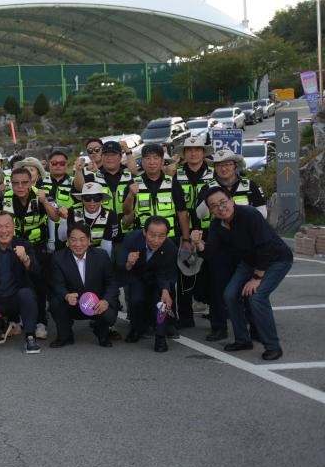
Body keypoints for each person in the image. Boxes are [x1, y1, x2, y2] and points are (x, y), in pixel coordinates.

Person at [191, 187, 292, 361]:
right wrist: (199, 243)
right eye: (214, 206)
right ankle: (243, 340)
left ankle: (273, 346)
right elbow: (211, 253)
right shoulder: (216, 224)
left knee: (257, 297)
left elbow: (265, 247)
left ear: (231, 200)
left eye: (223, 202)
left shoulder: (250, 214)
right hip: (249, 260)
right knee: (229, 295)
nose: (220, 208)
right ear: (211, 210)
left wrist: (256, 278)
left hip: (276, 259)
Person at [0, 167, 64, 339]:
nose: (20, 186)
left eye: (24, 183)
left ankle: (41, 322)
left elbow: (55, 217)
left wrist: (44, 202)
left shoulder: (41, 195)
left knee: (39, 285)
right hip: (14, 246)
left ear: (31, 182)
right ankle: (16, 320)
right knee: (15, 283)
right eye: (16, 183)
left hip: (38, 246)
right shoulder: (5, 197)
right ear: (11, 184)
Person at [0, 212, 42, 353]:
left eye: (7, 226)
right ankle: (5, 323)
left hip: (17, 299)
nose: (4, 231)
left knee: (27, 293)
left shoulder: (24, 245)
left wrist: (25, 259)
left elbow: (37, 272)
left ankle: (30, 337)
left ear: (14, 227)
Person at [49, 224, 120, 348]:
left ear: (89, 240)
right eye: (73, 239)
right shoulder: (58, 257)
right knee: (55, 301)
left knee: (109, 315)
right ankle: (65, 335)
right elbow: (57, 284)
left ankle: (101, 332)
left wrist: (106, 301)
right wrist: (66, 295)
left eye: (82, 239)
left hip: (96, 304)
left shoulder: (102, 256)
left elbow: (112, 282)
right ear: (68, 241)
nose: (78, 244)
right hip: (73, 303)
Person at [118, 216, 178, 352]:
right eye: (152, 235)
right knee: (135, 300)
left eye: (161, 236)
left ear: (167, 235)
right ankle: (136, 328)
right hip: (137, 275)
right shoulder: (131, 238)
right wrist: (129, 263)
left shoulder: (170, 247)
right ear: (144, 232)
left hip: (159, 278)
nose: (156, 240)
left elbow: (169, 273)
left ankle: (160, 337)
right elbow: (121, 264)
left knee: (162, 303)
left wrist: (165, 290)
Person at [174, 136, 216, 329]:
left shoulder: (214, 175)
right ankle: (185, 316)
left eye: (197, 149)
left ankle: (215, 313)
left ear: (203, 152)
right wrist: (185, 236)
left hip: (210, 231)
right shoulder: (175, 175)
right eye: (189, 150)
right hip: (183, 232)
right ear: (184, 154)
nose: (193, 153)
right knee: (184, 273)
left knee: (211, 272)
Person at [58, 182, 123, 256]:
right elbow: (62, 238)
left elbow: (106, 243)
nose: (92, 202)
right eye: (87, 198)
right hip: (75, 251)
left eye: (96, 198)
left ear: (101, 199)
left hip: (98, 252)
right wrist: (63, 219)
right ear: (82, 199)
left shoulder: (110, 214)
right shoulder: (73, 211)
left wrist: (104, 262)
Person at [41, 150, 75, 252]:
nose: (58, 166)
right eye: (54, 163)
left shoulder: (74, 182)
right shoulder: (40, 182)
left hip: (67, 228)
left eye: (62, 163)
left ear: (66, 165)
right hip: (45, 230)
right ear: (49, 165)